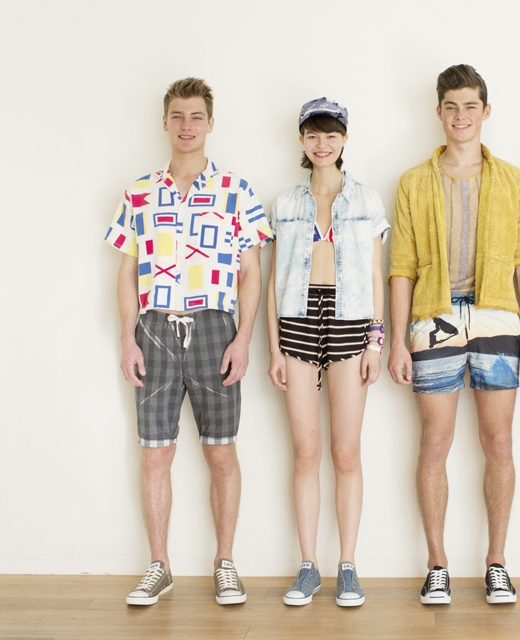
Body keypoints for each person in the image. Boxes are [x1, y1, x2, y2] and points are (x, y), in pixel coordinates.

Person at [105, 77, 271, 606]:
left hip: (215, 329)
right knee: (156, 453)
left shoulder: (236, 191)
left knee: (221, 451)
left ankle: (226, 562)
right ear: (164, 122)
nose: (186, 125)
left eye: (196, 116)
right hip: (153, 329)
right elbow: (126, 271)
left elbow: (252, 272)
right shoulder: (139, 192)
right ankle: (160, 566)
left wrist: (243, 339)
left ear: (210, 123)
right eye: (177, 116)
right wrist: (128, 339)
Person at [388, 64, 520, 605]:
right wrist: (396, 340)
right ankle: (437, 565)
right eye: (451, 106)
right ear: (438, 112)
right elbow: (401, 266)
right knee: (435, 442)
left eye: (470, 106)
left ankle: (497, 562)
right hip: (433, 320)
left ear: (486, 111)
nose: (460, 116)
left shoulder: (513, 180)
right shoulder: (414, 182)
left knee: (498, 441)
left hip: (498, 317)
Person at [267, 97, 389, 607]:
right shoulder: (286, 203)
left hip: (350, 322)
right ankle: (308, 565)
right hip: (297, 321)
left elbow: (377, 276)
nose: (322, 144)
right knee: (305, 452)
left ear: (344, 140)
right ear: (302, 139)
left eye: (331, 135)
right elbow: (274, 281)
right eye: (314, 135)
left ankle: (348, 565)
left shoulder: (367, 199)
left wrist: (375, 340)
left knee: (345, 452)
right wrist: (274, 348)